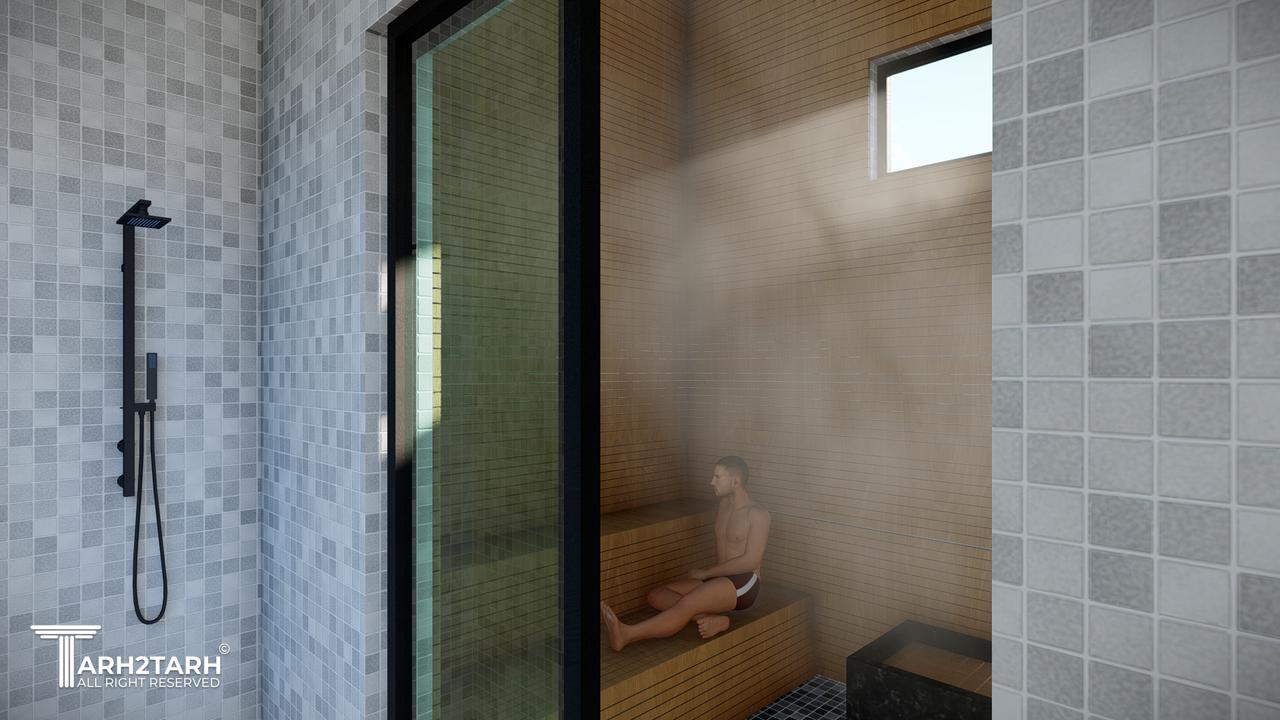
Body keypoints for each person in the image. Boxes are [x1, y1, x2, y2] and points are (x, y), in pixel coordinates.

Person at [600, 456, 772, 652]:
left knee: (688, 603)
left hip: (744, 583)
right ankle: (711, 619)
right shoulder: (724, 506)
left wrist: (706, 573)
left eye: (718, 477)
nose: (711, 482)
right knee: (656, 595)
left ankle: (627, 634)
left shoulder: (757, 514)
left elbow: (751, 561)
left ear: (735, 481)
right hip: (719, 578)